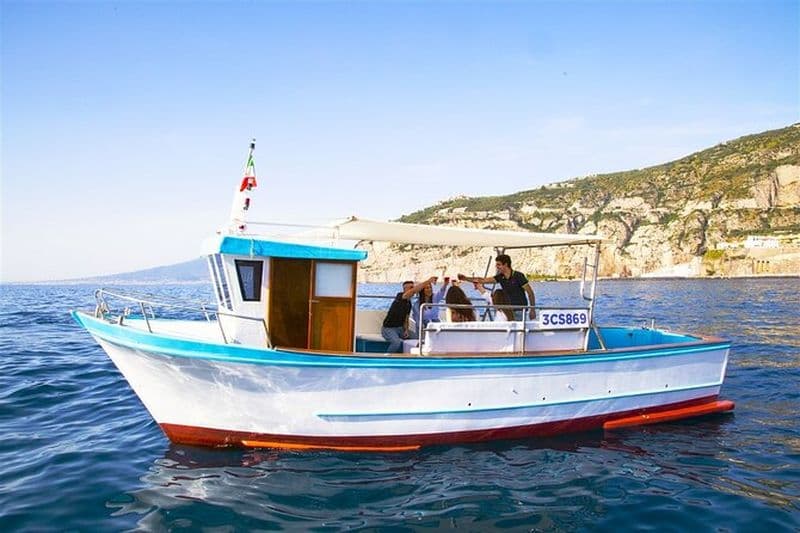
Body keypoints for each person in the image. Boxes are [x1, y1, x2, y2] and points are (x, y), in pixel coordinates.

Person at [458, 254, 535, 320]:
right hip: (506, 311)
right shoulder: (500, 277)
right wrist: (465, 278)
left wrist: (532, 309)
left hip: (519, 310)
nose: (496, 267)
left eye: (499, 264)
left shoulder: (518, 276)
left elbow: (530, 293)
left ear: (506, 264)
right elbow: (482, 280)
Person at [382, 277, 437, 352]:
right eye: (411, 287)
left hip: (400, 328)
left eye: (413, 287)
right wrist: (428, 281)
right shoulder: (400, 297)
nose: (413, 289)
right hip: (388, 329)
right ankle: (387, 358)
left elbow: (406, 319)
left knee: (418, 340)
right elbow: (413, 291)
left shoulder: (409, 303)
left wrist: (406, 330)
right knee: (396, 343)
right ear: (405, 289)